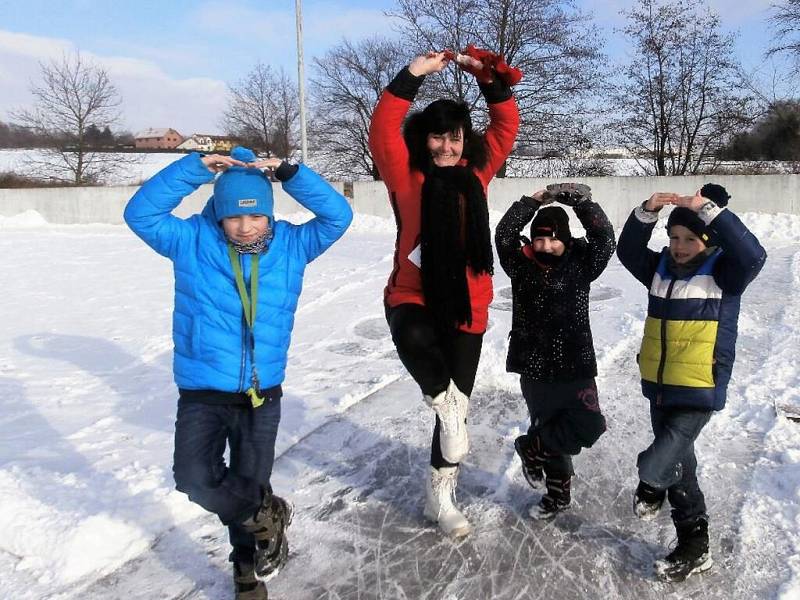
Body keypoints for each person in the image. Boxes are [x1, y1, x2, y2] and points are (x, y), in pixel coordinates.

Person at [124, 146, 353, 599]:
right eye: (233, 217)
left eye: (255, 217)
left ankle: (245, 569)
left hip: (261, 392)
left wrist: (290, 173)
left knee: (249, 482)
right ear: (218, 214)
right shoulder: (191, 240)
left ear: (269, 214)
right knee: (194, 477)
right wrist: (194, 169)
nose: (245, 226)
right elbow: (140, 213)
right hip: (202, 390)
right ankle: (269, 512)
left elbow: (338, 216)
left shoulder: (292, 245)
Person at [368, 49, 520, 537]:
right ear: (424, 138)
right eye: (438, 135)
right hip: (412, 291)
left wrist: (490, 84)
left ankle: (441, 495)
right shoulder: (405, 174)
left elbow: (505, 127)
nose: (447, 146)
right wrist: (413, 75)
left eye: (455, 136)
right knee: (416, 343)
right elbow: (382, 128)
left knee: (451, 425)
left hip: (466, 302)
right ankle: (446, 400)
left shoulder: (477, 173)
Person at [616, 184, 766, 582]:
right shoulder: (659, 269)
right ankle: (695, 546)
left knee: (658, 463)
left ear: (708, 240)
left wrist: (711, 212)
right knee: (681, 467)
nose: (679, 246)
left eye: (689, 239)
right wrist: (646, 213)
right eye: (674, 237)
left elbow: (754, 256)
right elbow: (628, 252)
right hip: (661, 385)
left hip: (699, 387)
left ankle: (651, 485)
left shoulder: (723, 274)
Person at [495, 183, 615, 519]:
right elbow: (504, 233)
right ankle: (557, 494)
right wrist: (531, 203)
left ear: (566, 238)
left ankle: (530, 448)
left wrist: (582, 205)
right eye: (539, 238)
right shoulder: (520, 264)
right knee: (550, 429)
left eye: (554, 238)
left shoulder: (581, 263)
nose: (546, 246)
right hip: (534, 365)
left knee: (589, 425)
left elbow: (605, 239)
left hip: (575, 364)